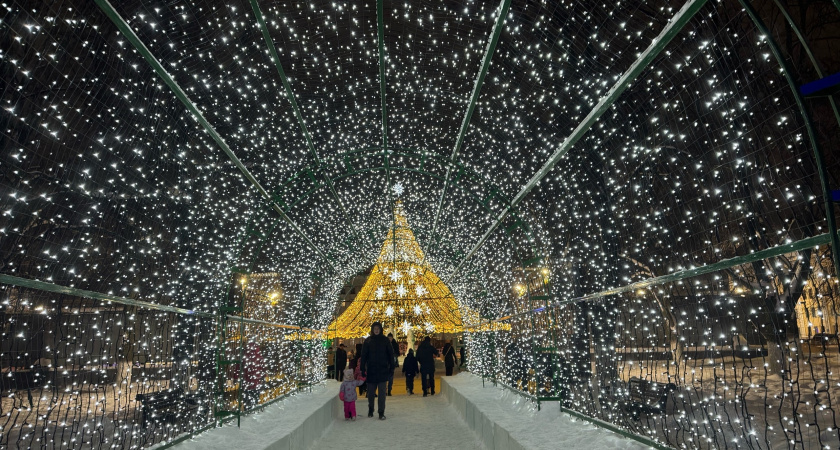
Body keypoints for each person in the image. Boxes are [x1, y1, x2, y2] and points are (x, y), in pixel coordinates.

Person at [361, 321, 394, 419]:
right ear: (372, 330)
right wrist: (362, 368)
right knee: (371, 393)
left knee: (382, 393)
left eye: (378, 329)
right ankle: (371, 409)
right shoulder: (368, 341)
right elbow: (363, 356)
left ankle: (381, 412)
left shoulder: (385, 340)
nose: (376, 330)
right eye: (375, 329)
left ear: (380, 330)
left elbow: (390, 355)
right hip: (371, 371)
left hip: (382, 371)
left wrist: (391, 367)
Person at [242, 342, 264, 408]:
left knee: (247, 400)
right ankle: (253, 408)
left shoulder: (245, 356)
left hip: (246, 383)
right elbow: (262, 368)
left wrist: (235, 377)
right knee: (255, 399)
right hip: (256, 382)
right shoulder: (259, 356)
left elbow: (239, 367)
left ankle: (247, 409)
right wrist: (263, 377)